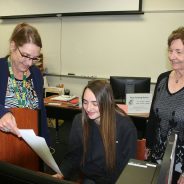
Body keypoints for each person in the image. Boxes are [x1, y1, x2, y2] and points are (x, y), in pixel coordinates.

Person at [54, 80, 137, 184]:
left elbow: (128, 168)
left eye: (95, 103)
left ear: (107, 103)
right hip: (90, 178)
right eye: (85, 102)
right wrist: (60, 173)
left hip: (115, 180)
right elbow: (73, 156)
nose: (88, 108)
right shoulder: (79, 121)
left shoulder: (125, 127)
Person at [0, 23, 50, 145]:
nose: (29, 63)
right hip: (4, 147)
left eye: (34, 58)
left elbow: (40, 113)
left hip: (31, 145)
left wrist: (46, 144)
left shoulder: (36, 74)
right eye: (26, 55)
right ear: (13, 46)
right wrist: (1, 112)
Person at [146, 27, 184, 184]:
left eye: (178, 52)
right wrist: (148, 147)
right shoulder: (162, 79)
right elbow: (153, 117)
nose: (172, 56)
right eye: (170, 51)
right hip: (158, 156)